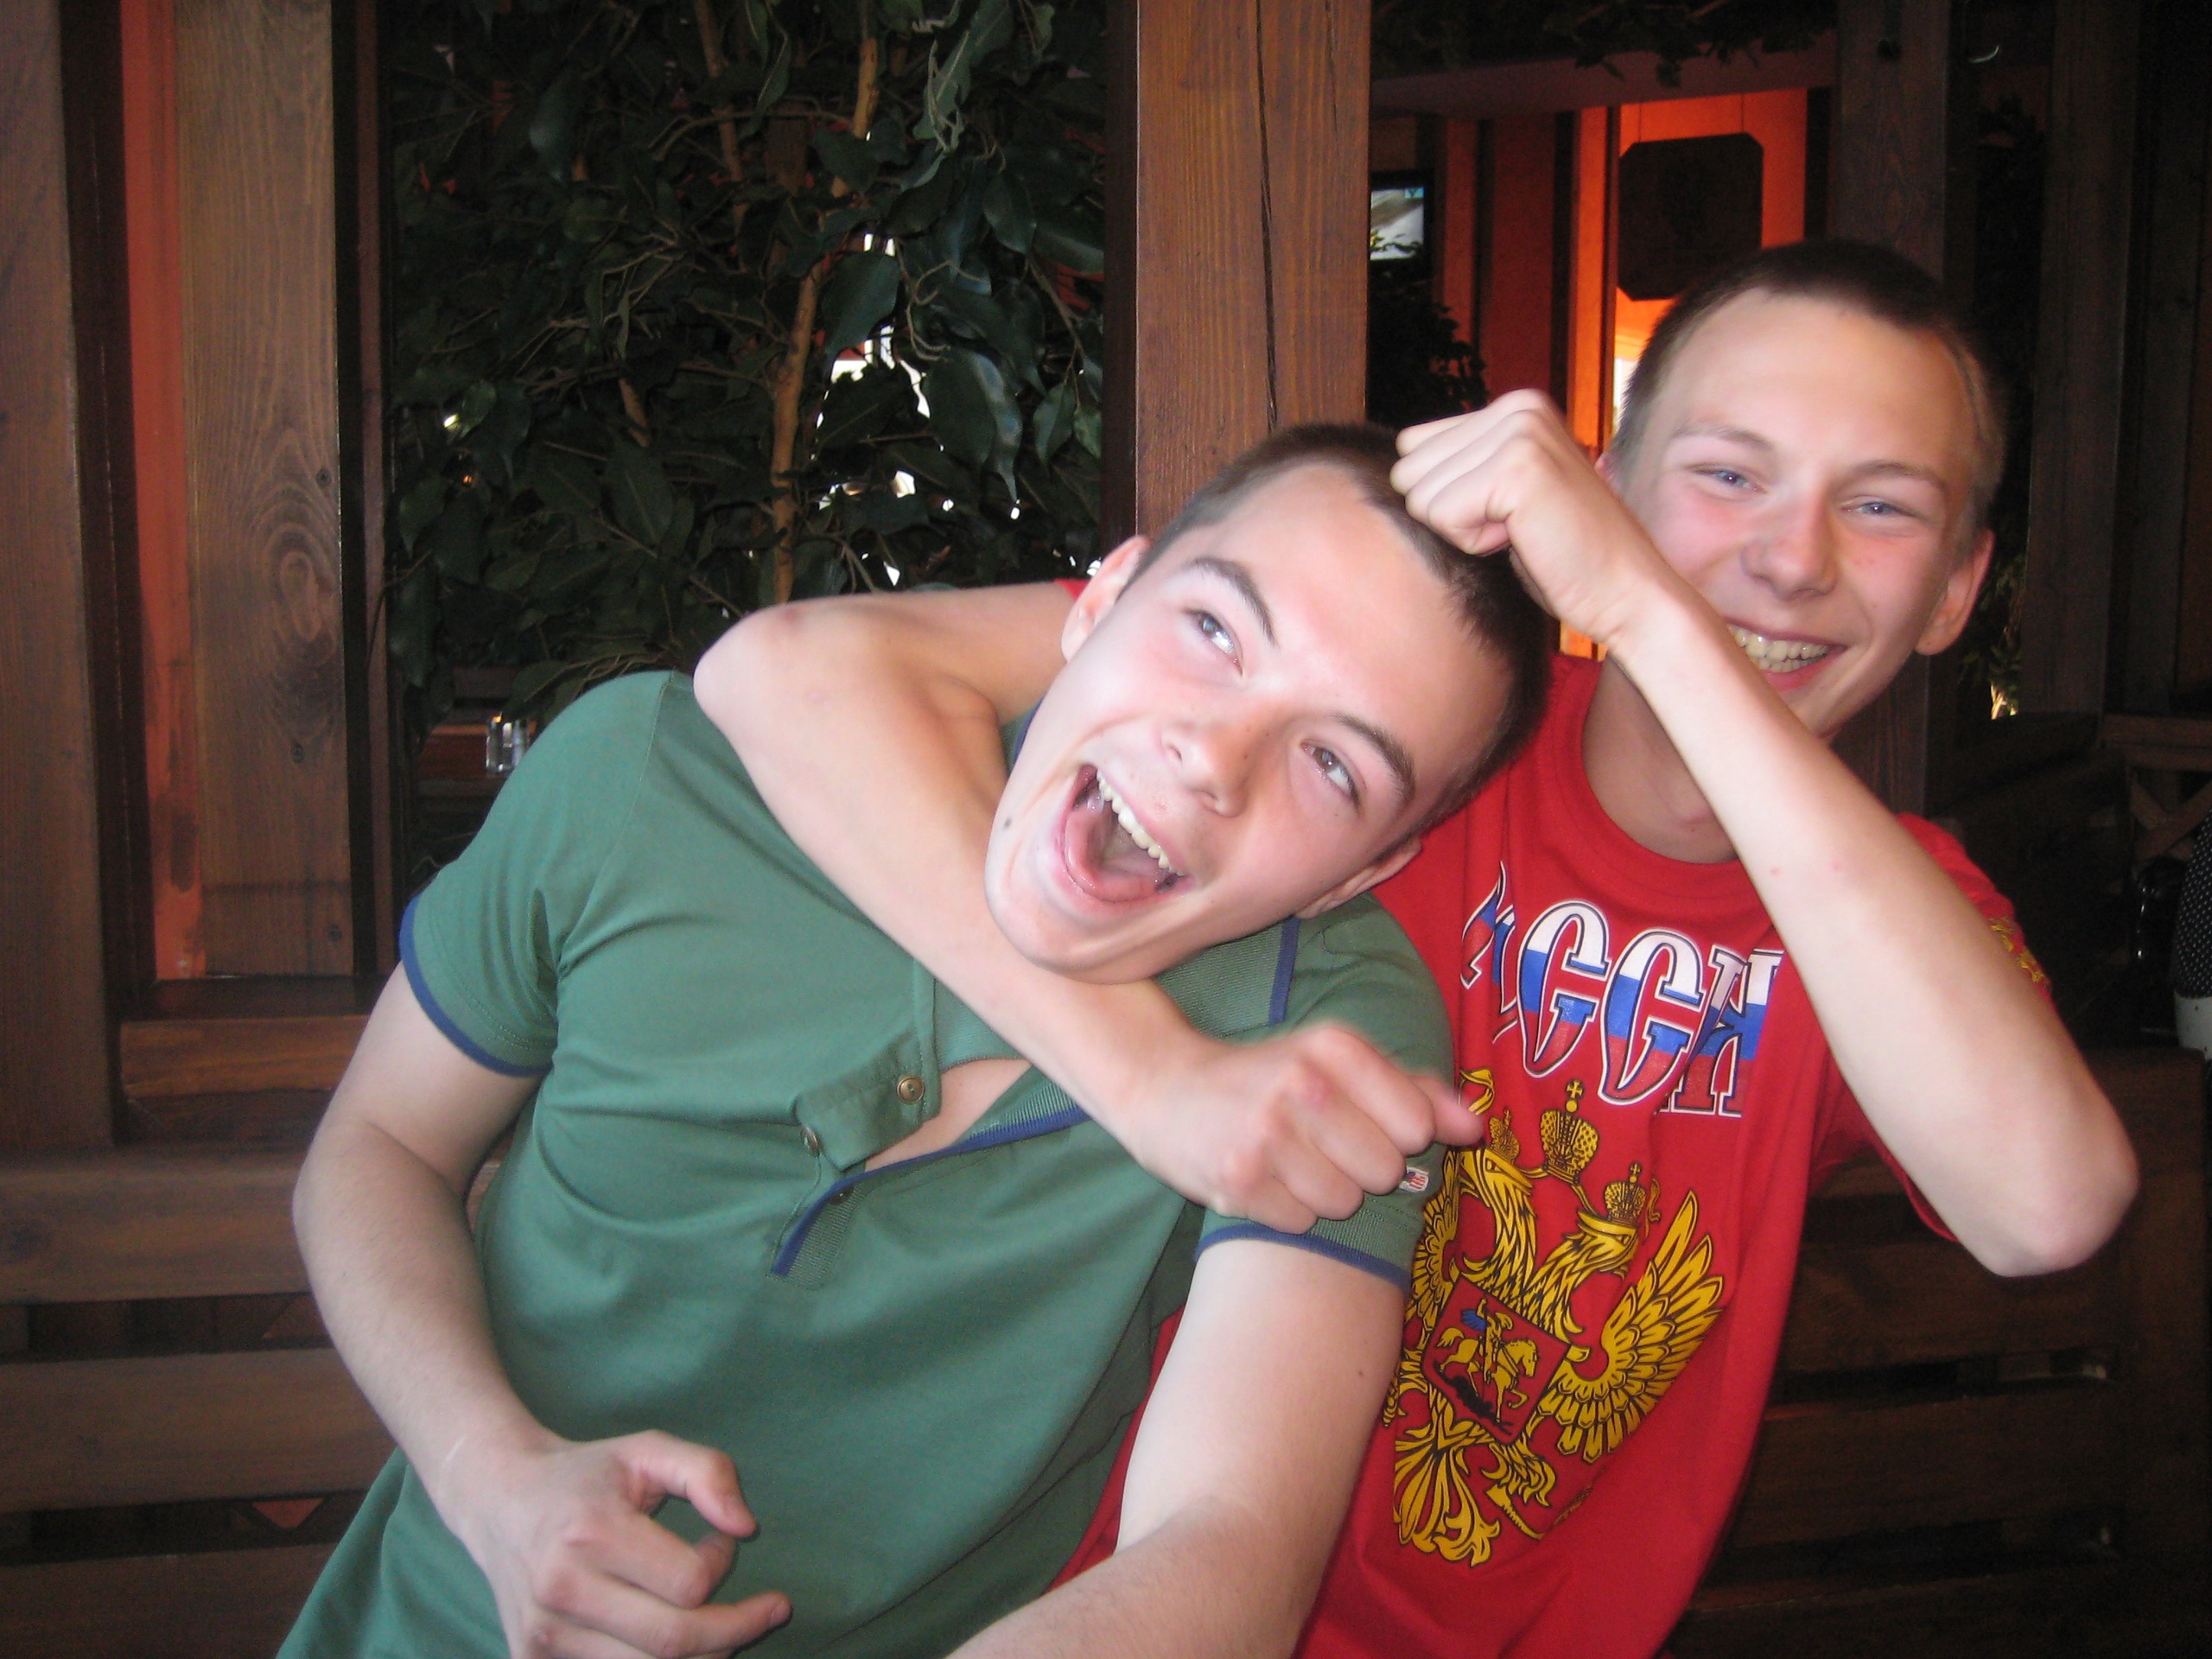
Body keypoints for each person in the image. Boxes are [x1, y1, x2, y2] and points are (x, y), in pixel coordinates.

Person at [691, 239, 2139, 1657]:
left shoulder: (1889, 915)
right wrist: (1152, 1078)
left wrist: (1650, 610)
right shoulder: (1415, 721)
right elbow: (798, 673)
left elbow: (2046, 1208)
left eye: (1880, 506)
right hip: (1115, 1594)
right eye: (1727, 475)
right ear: (1608, 492)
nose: (1791, 559)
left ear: (1959, 589)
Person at [280, 425, 1558, 1659]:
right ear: (1102, 597)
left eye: (1333, 767)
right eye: (1214, 630)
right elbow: (382, 1144)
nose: (1214, 758)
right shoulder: (648, 774)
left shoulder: (1329, 1033)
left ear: (1365, 871)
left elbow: (1230, 1552)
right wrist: (490, 1482)